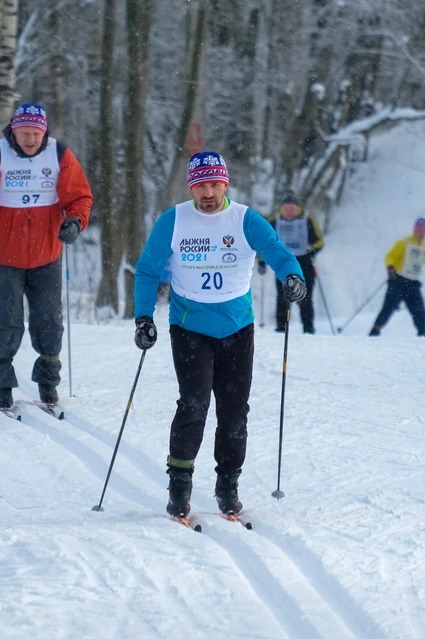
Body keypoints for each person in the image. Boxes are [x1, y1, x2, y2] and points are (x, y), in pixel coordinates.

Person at [132, 151, 305, 517]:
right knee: (193, 406)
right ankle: (179, 486)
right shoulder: (174, 220)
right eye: (200, 185)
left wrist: (293, 278)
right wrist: (143, 318)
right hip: (189, 326)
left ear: (225, 183)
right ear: (191, 187)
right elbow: (147, 270)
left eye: (214, 184)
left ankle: (228, 485)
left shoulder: (245, 219)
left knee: (234, 413)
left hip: (237, 329)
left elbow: (278, 253)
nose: (208, 192)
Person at [0, 103, 93, 409]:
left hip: (47, 252)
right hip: (4, 253)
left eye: (35, 133)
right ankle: (2, 382)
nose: (30, 139)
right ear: (13, 131)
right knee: (8, 319)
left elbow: (80, 197)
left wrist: (74, 222)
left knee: (49, 319)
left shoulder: (59, 155)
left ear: (43, 133)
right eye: (24, 133)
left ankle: (48, 381)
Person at [257, 191, 325, 334]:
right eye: (286, 209)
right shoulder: (275, 221)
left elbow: (319, 241)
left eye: (292, 209)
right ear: (282, 208)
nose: (289, 212)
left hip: (304, 263)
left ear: (298, 208)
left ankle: (308, 327)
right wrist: (261, 261)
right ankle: (281, 326)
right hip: (283, 265)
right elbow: (265, 242)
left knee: (305, 297)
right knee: (283, 296)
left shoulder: (308, 220)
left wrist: (312, 249)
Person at [369, 218, 425, 337]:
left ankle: (422, 335)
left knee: (420, 312)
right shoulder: (404, 243)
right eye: (420, 230)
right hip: (397, 281)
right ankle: (374, 331)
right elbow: (390, 256)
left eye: (424, 231)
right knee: (388, 309)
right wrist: (390, 267)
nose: (422, 233)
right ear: (414, 230)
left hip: (413, 284)